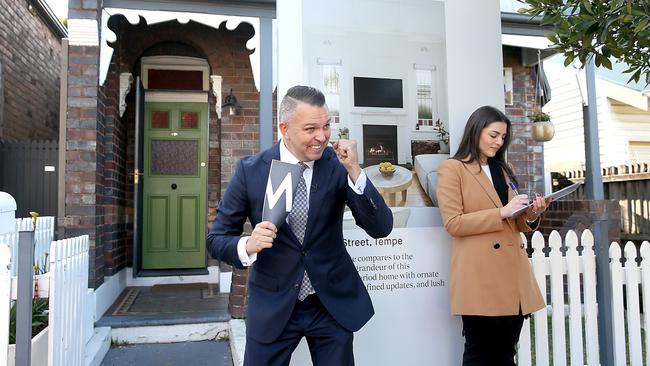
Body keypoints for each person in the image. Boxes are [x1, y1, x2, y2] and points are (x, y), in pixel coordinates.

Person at [206, 85, 393, 366]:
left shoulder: (337, 165)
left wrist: (356, 171)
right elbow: (216, 239)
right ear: (285, 128)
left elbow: (381, 228)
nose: (322, 136)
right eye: (310, 129)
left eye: (326, 126)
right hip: (274, 305)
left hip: (329, 304)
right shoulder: (251, 170)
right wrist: (248, 244)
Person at [436, 105, 551, 365]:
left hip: (514, 279)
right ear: (476, 131)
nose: (499, 142)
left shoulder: (502, 169)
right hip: (481, 280)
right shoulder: (452, 169)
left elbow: (517, 223)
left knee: (505, 355)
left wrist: (532, 213)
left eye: (503, 137)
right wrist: (501, 212)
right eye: (494, 135)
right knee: (480, 356)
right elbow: (453, 223)